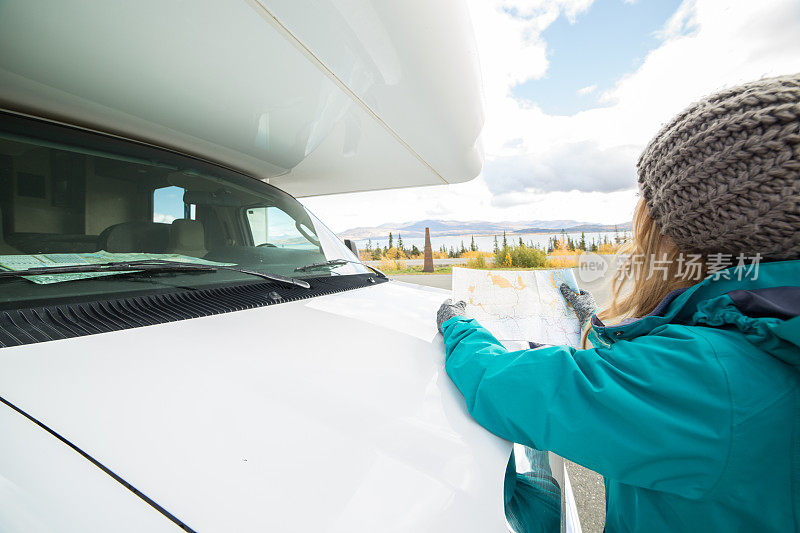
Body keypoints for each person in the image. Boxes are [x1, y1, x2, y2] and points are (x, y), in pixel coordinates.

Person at [436, 74, 800, 532]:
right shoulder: (769, 337)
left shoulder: (710, 376)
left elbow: (505, 389)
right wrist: (593, 323)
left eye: (647, 202)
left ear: (687, 236)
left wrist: (460, 327)